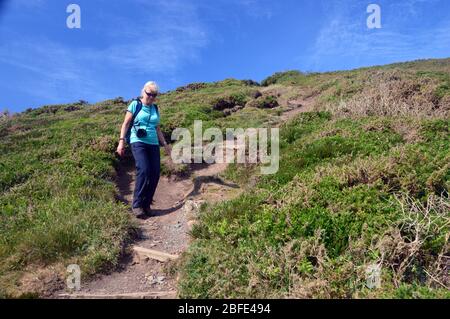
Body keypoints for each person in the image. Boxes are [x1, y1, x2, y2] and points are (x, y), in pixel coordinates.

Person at [116, 81, 172, 218]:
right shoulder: (136, 104)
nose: (151, 97)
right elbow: (125, 124)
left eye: (154, 95)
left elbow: (157, 128)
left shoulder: (155, 108)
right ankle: (137, 205)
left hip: (153, 143)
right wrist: (121, 142)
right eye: (149, 94)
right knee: (144, 169)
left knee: (155, 173)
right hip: (138, 141)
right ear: (143, 92)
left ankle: (146, 205)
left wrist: (164, 144)